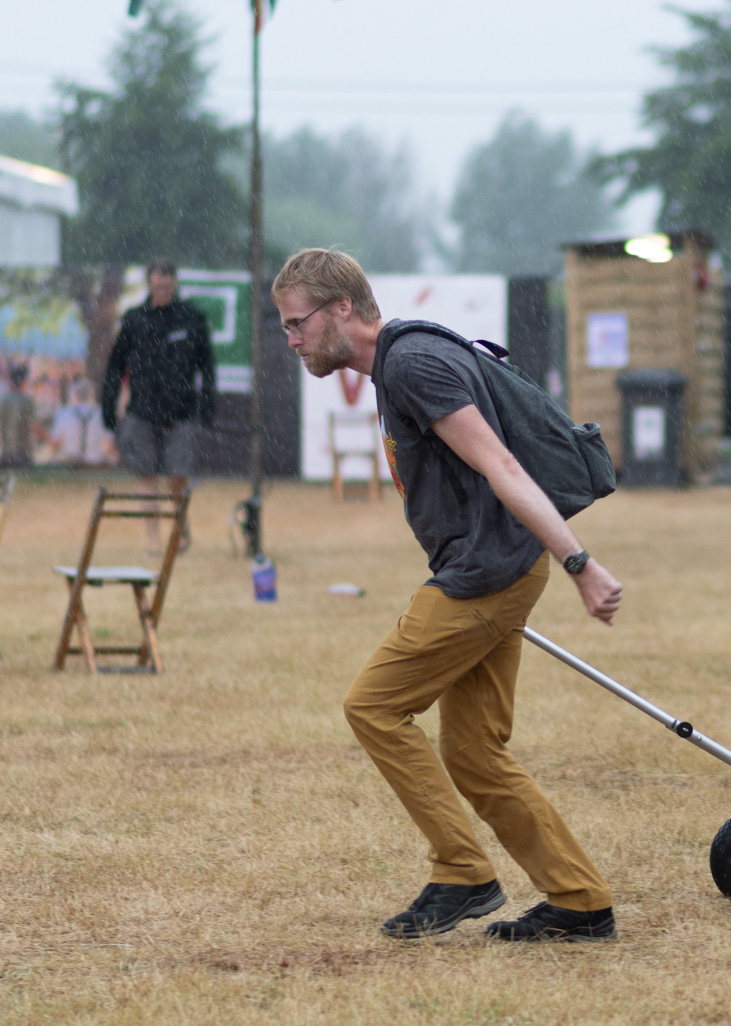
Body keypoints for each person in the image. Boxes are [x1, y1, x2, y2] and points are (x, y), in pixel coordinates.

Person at [272, 248, 623, 943]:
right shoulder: (401, 359)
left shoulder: (412, 363)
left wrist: (580, 563)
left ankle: (462, 873)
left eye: (296, 323)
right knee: (473, 751)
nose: (291, 340)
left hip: (485, 573)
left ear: (342, 308)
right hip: (499, 564)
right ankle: (580, 901)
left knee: (373, 706)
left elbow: (502, 465)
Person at [101, 258, 215, 550]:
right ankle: (153, 541)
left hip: (182, 412)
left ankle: (180, 530)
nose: (162, 291)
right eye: (157, 286)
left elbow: (207, 366)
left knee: (178, 477)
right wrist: (108, 407)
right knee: (147, 478)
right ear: (149, 285)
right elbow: (115, 366)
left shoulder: (192, 317)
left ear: (175, 284)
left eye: (167, 286)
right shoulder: (134, 319)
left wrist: (207, 407)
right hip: (141, 411)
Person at [48, 379, 115, 467]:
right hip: (95, 464)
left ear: (75, 395)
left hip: (70, 465)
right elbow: (109, 445)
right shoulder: (102, 413)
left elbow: (55, 445)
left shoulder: (63, 414)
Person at [0, 363, 36, 467]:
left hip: (6, 455)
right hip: (23, 455)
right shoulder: (27, 401)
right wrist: (50, 440)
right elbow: (34, 426)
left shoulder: (3, 401)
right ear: (24, 381)